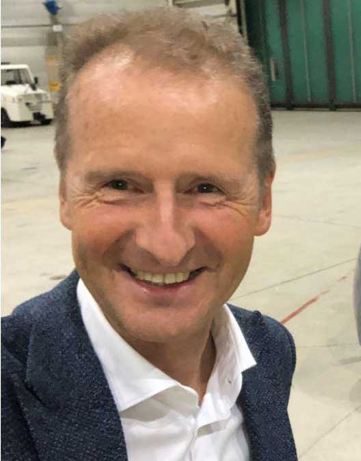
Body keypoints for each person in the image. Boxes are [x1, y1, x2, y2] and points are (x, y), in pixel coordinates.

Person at [1, 8, 297, 461]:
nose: (165, 246)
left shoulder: (270, 352)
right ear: (64, 194)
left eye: (206, 188)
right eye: (119, 185)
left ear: (264, 201)